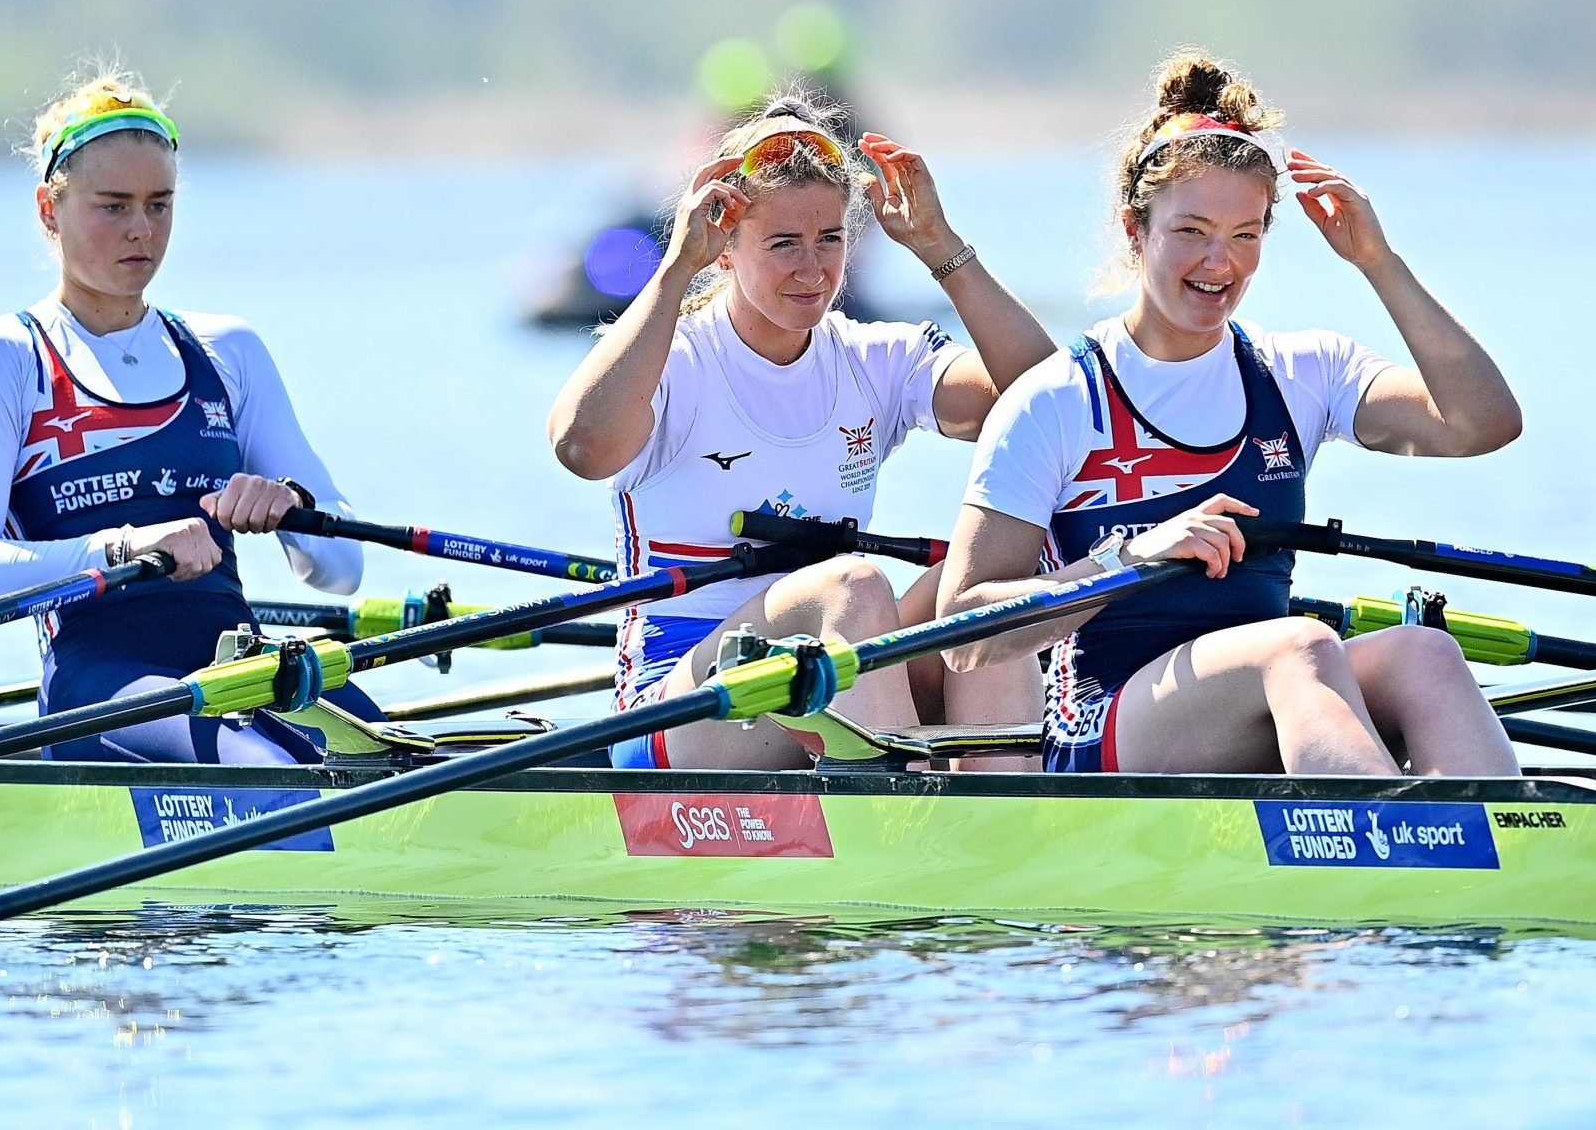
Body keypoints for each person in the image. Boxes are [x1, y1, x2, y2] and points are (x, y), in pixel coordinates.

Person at [938, 52, 1524, 777]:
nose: (1221, 263)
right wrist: (1127, 558)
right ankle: (1390, 851)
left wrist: (1378, 261)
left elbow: (1481, 422)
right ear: (1134, 227)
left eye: (1246, 235)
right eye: (1192, 231)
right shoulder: (1055, 399)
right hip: (1106, 723)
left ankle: (1515, 856)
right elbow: (964, 628)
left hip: (1266, 692)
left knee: (1424, 654)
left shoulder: (1302, 373)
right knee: (1300, 644)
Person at [548, 93, 1054, 770]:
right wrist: (675, 269)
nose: (812, 269)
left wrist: (943, 250)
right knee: (853, 587)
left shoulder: (875, 359)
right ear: (725, 247)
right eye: (784, 244)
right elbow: (582, 448)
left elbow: (1051, 410)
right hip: (679, 712)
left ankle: (1004, 820)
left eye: (829, 240)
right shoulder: (671, 359)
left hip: (817, 679)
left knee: (985, 591)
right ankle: (900, 816)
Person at [0, 68, 374, 763]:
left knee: (407, 759)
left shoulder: (229, 352)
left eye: (159, 205)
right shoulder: (3, 359)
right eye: (114, 207)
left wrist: (294, 508)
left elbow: (342, 570)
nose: (142, 231)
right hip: (99, 687)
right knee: (271, 768)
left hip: (239, 663)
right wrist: (125, 546)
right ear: (50, 209)